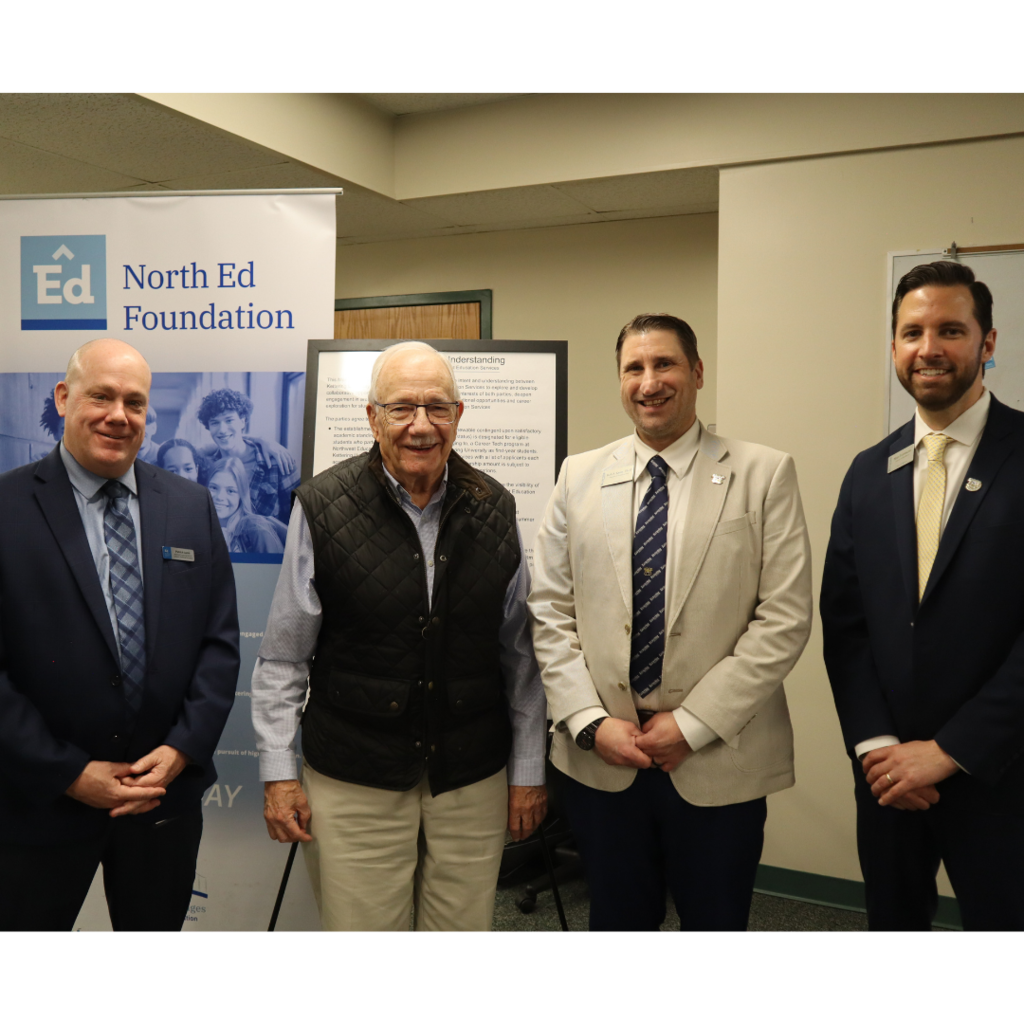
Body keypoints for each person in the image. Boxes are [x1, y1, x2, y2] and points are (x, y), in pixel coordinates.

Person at [528, 313, 812, 933]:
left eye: (665, 364)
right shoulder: (578, 476)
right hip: (605, 760)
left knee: (716, 920)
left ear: (697, 372)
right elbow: (548, 609)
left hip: (717, 757)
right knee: (617, 920)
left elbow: (784, 618)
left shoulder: (764, 473)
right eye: (634, 368)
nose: (649, 382)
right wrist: (589, 722)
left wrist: (693, 724)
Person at [252, 341, 547, 933]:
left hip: (471, 777)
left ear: (458, 415)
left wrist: (528, 770)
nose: (421, 425)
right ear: (372, 417)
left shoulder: (495, 507)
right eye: (402, 408)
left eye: (437, 407)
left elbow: (521, 658)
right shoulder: (322, 507)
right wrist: (280, 774)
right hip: (355, 778)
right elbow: (284, 658)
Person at [0, 338, 240, 933]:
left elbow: (218, 643)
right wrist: (67, 773)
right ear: (64, 398)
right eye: (101, 397)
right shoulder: (6, 507)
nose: (119, 415)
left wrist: (182, 749)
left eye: (135, 403)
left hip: (161, 801)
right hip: (38, 803)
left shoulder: (190, 505)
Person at [821, 260, 1024, 933]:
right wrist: (877, 746)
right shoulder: (867, 472)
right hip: (888, 780)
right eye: (912, 333)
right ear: (894, 347)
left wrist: (949, 750)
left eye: (950, 331)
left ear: (987, 343)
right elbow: (846, 626)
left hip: (1002, 773)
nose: (928, 348)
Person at [197, 388, 299, 524]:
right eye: (215, 423)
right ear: (208, 427)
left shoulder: (277, 461)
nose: (222, 430)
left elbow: (298, 518)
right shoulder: (207, 466)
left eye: (229, 420)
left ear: (243, 421)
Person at [208, 457, 284, 555]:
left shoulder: (258, 529)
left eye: (230, 491)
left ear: (241, 494)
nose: (220, 497)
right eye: (213, 488)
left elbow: (272, 565)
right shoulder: (199, 528)